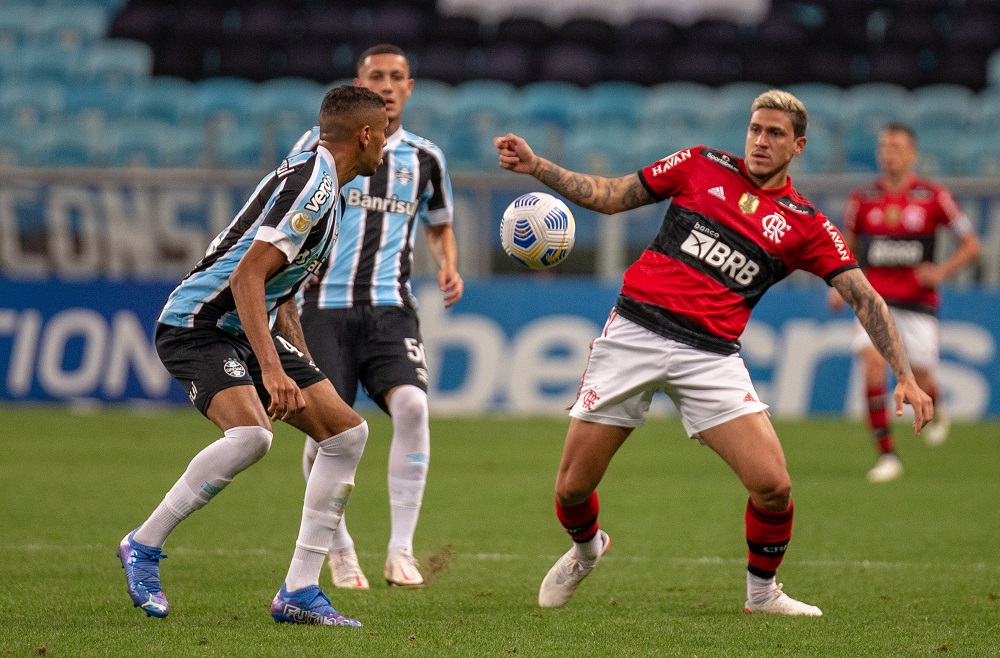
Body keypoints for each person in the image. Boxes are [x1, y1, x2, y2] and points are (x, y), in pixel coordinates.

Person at [494, 90, 934, 616]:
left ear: (798, 145)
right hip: (634, 332)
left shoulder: (805, 224)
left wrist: (904, 374)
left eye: (775, 134)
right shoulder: (700, 163)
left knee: (774, 486)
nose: (761, 141)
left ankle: (762, 593)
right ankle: (586, 550)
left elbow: (863, 294)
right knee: (571, 490)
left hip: (711, 356)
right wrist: (538, 165)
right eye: (755, 129)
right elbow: (612, 196)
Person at [117, 85, 389, 626]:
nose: (385, 144)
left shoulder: (325, 189)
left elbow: (277, 287)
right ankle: (142, 546)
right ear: (364, 135)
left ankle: (299, 593)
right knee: (251, 437)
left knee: (346, 434)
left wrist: (301, 364)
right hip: (198, 324)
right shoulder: (313, 186)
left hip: (246, 325)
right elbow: (246, 275)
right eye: (382, 133)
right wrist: (270, 369)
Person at [291, 44, 462, 590]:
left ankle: (400, 550)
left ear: (410, 88)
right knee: (324, 433)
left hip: (390, 306)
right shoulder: (316, 148)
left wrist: (447, 267)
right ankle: (339, 551)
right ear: (360, 84)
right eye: (376, 76)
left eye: (396, 77)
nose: (387, 85)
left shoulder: (426, 159)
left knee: (412, 405)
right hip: (322, 307)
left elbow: (438, 223)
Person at [828, 123, 981, 483]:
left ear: (912, 153)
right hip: (874, 301)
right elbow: (846, 248)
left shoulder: (934, 196)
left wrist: (942, 271)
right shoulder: (861, 198)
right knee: (871, 367)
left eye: (896, 146)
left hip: (918, 305)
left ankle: (937, 409)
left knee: (922, 378)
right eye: (883, 146)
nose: (887, 153)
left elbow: (972, 245)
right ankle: (887, 456)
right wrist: (838, 284)